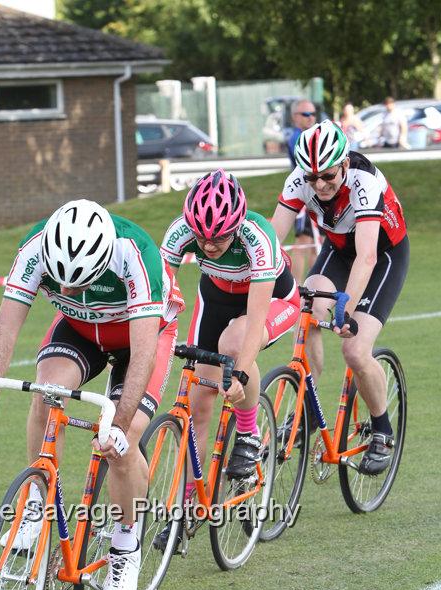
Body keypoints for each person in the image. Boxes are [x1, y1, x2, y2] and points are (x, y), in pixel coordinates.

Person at [0, 199, 184, 590]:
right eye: (59, 283)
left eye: (77, 283)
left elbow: (145, 352)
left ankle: (126, 543)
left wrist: (119, 424)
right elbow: (5, 324)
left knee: (124, 438)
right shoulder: (35, 247)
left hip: (140, 336)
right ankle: (36, 506)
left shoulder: (136, 255)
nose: (65, 291)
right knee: (47, 393)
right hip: (80, 329)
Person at [270, 120, 410, 474]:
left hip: (383, 254)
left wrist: (345, 308)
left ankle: (382, 430)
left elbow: (366, 256)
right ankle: (307, 411)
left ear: (344, 163)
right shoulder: (300, 181)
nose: (320, 185)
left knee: (355, 349)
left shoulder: (364, 182)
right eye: (312, 178)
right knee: (309, 308)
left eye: (328, 176)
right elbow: (271, 240)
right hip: (338, 250)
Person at [160, 169, 300, 500]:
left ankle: (249, 433)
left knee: (235, 344)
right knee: (199, 403)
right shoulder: (180, 232)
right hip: (217, 297)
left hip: (273, 298)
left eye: (220, 238)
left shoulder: (258, 237)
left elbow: (255, 319)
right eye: (201, 237)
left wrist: (238, 373)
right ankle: (192, 496)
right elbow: (158, 298)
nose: (208, 246)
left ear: (236, 228)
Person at [283, 99, 319, 282]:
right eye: (306, 114)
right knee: (303, 243)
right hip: (306, 196)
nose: (311, 117)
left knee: (313, 245)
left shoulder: (307, 135)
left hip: (312, 196)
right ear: (295, 117)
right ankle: (298, 289)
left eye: (313, 113)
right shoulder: (298, 138)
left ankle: (309, 287)